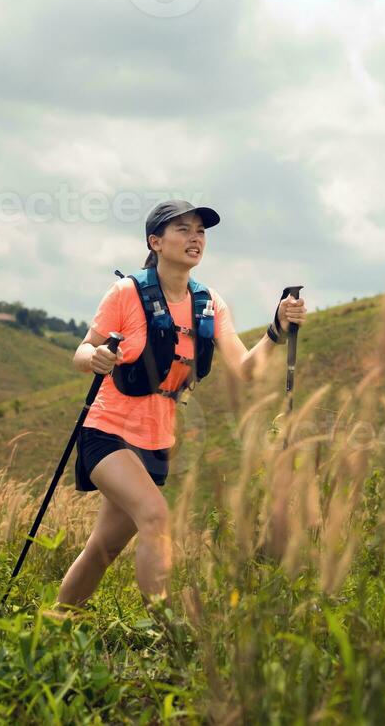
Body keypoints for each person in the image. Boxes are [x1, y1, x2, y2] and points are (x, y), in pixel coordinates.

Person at [55, 199, 305, 610]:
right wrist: (94, 358)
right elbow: (83, 349)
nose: (195, 238)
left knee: (104, 547)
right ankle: (164, 630)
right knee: (155, 516)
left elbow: (245, 368)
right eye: (183, 230)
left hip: (157, 440)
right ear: (155, 241)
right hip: (107, 430)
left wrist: (277, 328)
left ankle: (56, 620)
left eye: (201, 231)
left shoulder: (208, 301)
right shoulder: (127, 292)